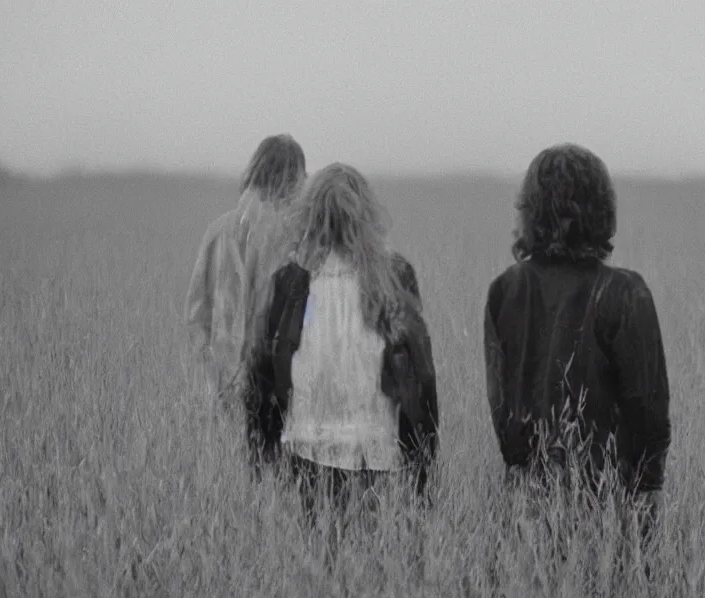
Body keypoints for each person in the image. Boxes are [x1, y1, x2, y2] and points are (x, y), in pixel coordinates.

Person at [483, 143, 670, 545]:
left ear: (530, 211)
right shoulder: (626, 292)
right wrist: (647, 490)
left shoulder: (504, 290)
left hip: (524, 502)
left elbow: (502, 408)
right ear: (602, 209)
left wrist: (522, 471)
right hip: (607, 503)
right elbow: (648, 408)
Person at [247, 163, 438, 521]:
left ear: (309, 217)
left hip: (305, 456)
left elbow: (261, 377)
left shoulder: (289, 282)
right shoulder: (395, 275)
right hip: (379, 457)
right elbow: (419, 379)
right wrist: (424, 472)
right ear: (366, 215)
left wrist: (261, 460)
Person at [185, 134, 306, 419]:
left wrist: (212, 372)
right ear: (290, 179)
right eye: (302, 176)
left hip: (218, 388)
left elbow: (195, 316)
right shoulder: (293, 237)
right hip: (273, 396)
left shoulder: (217, 231)